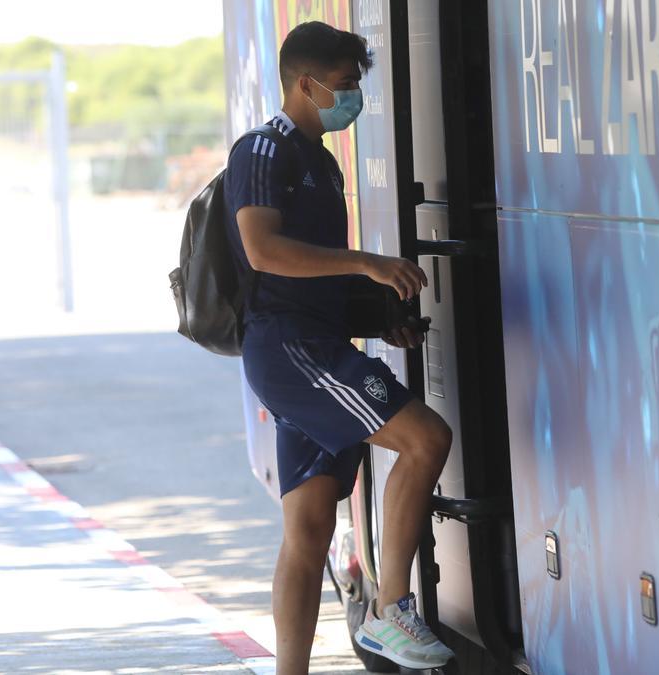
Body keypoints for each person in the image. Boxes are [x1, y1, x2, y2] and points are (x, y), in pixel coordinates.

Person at [223, 21, 455, 674]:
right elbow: (265, 252)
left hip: (317, 343)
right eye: (346, 85)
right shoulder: (264, 153)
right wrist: (370, 265)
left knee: (308, 532)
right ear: (307, 83)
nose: (354, 97)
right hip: (294, 351)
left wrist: (381, 320)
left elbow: (314, 271)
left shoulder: (320, 161)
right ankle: (391, 612)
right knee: (425, 439)